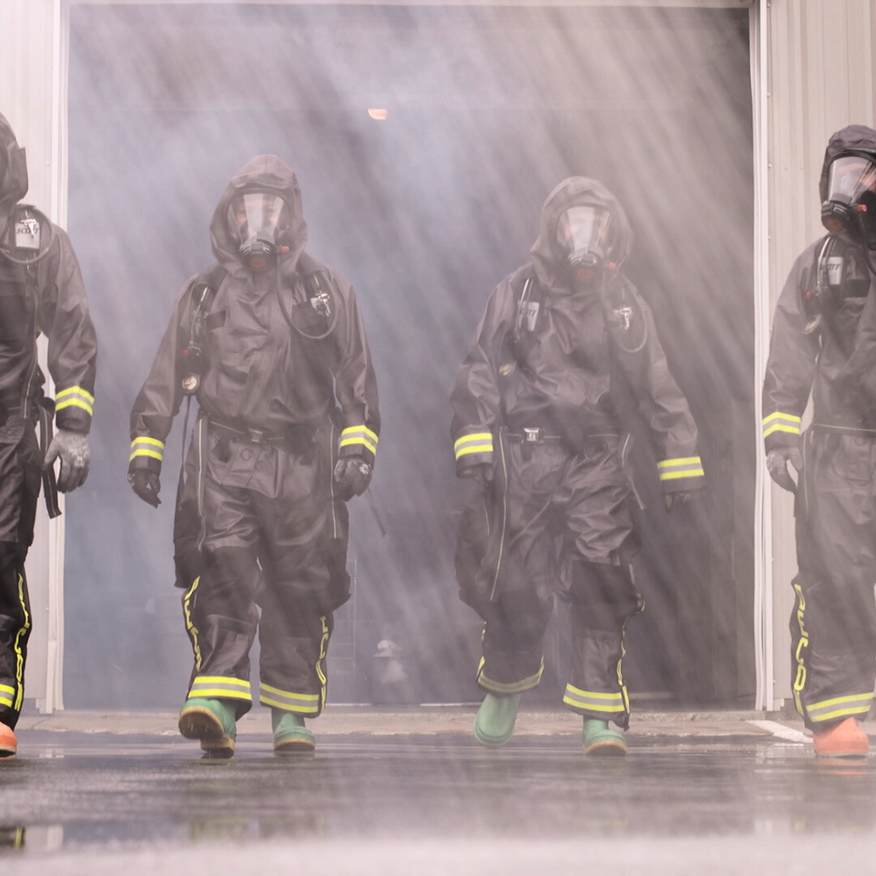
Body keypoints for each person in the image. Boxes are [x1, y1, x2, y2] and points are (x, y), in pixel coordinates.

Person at [129, 155, 379, 758]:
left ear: (290, 215)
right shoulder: (205, 292)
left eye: (271, 208)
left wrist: (358, 446)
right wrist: (147, 445)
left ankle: (291, 715)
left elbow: (357, 378)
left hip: (301, 464)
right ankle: (217, 704)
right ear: (231, 217)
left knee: (300, 584)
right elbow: (168, 371)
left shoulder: (326, 292)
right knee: (223, 573)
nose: (259, 221)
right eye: (248, 209)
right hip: (224, 459)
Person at [451, 176, 704, 756]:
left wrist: (679, 455)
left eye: (596, 223)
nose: (584, 236)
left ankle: (598, 717)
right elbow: (480, 368)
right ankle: (505, 689)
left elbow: (654, 381)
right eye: (573, 223)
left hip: (598, 458)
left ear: (611, 232)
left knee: (600, 575)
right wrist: (475, 438)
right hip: (525, 454)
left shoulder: (622, 302)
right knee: (515, 580)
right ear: (555, 230)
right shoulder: (516, 293)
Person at [763, 124, 876, 758]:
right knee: (836, 577)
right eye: (843, 174)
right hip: (836, 450)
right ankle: (837, 717)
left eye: (863, 174)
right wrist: (780, 437)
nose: (853, 188)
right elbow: (790, 351)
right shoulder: (819, 263)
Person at [0, 112, 96, 758]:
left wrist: (73, 428)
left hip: (9, 426)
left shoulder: (33, 240)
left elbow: (72, 329)